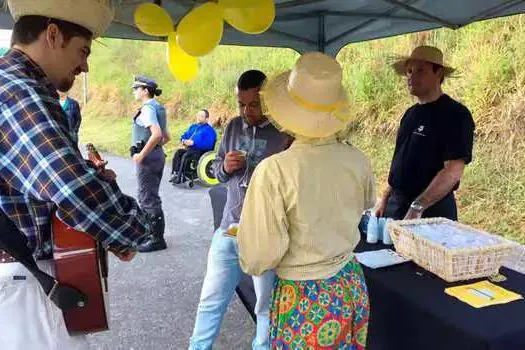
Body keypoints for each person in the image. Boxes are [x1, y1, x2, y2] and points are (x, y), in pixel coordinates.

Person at [0, 1, 151, 349]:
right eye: (82, 51)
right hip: (22, 284)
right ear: (52, 35)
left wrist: (90, 180)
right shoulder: (20, 89)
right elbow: (69, 188)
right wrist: (132, 229)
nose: (84, 66)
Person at [237, 52, 376, 350]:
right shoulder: (357, 159)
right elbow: (365, 204)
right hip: (350, 284)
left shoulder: (275, 170)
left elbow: (258, 257)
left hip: (305, 296)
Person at [189, 70, 288, 350]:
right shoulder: (232, 127)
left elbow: (289, 185)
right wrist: (224, 167)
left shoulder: (285, 133)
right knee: (210, 300)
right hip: (228, 229)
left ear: (267, 101)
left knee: (265, 307)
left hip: (264, 233)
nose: (247, 111)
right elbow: (218, 172)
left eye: (253, 104)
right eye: (241, 104)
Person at [375, 46, 475, 221]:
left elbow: (452, 171)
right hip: (397, 206)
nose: (411, 77)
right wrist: (384, 198)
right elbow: (398, 162)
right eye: (409, 71)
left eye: (420, 71)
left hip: (432, 212)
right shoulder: (410, 114)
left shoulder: (456, 115)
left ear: (439, 73)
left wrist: (417, 207)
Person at [130, 75, 169, 253]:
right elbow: (166, 137)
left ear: (145, 90)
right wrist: (155, 150)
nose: (135, 91)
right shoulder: (158, 107)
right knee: (150, 195)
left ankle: (156, 239)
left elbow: (157, 134)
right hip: (157, 155)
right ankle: (151, 234)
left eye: (137, 88)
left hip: (148, 158)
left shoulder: (147, 108)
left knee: (147, 197)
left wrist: (141, 154)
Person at [169, 109, 217, 184]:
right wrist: (183, 140)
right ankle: (176, 173)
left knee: (186, 155)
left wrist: (194, 143)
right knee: (178, 152)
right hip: (191, 149)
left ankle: (180, 178)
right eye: (198, 115)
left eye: (201, 116)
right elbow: (185, 135)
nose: (198, 117)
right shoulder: (193, 127)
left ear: (206, 119)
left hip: (201, 151)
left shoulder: (210, 131)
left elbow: (208, 144)